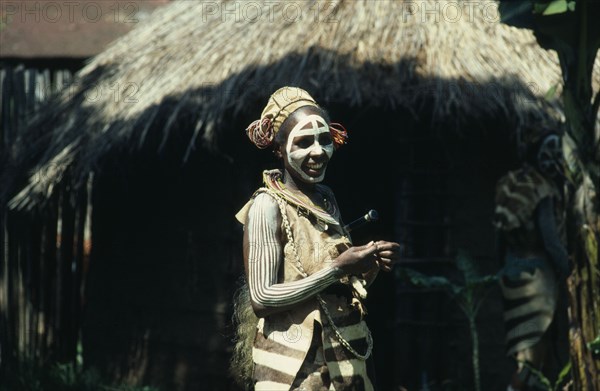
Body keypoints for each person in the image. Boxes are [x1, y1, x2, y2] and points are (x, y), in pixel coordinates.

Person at [231, 87, 400, 390]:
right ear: (279, 149)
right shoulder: (266, 207)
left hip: (345, 365)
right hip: (292, 372)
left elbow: (335, 289)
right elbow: (262, 297)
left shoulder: (326, 200)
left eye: (324, 140)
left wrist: (366, 267)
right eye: (304, 142)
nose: (318, 151)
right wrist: (339, 268)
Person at [493, 130, 570, 391]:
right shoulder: (541, 187)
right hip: (537, 278)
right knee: (531, 357)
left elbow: (499, 238)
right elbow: (550, 239)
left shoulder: (512, 182)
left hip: (512, 272)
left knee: (527, 352)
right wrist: (568, 268)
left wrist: (502, 270)